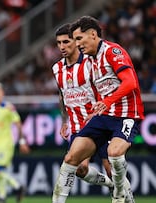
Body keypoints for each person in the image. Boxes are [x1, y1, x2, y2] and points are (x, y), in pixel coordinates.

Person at [52, 16, 144, 203]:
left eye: (78, 39)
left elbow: (131, 82)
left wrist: (107, 101)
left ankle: (121, 196)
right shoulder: (85, 61)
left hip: (125, 113)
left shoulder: (112, 51)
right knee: (72, 159)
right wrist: (66, 119)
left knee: (114, 157)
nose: (77, 44)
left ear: (93, 34)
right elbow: (65, 94)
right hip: (100, 116)